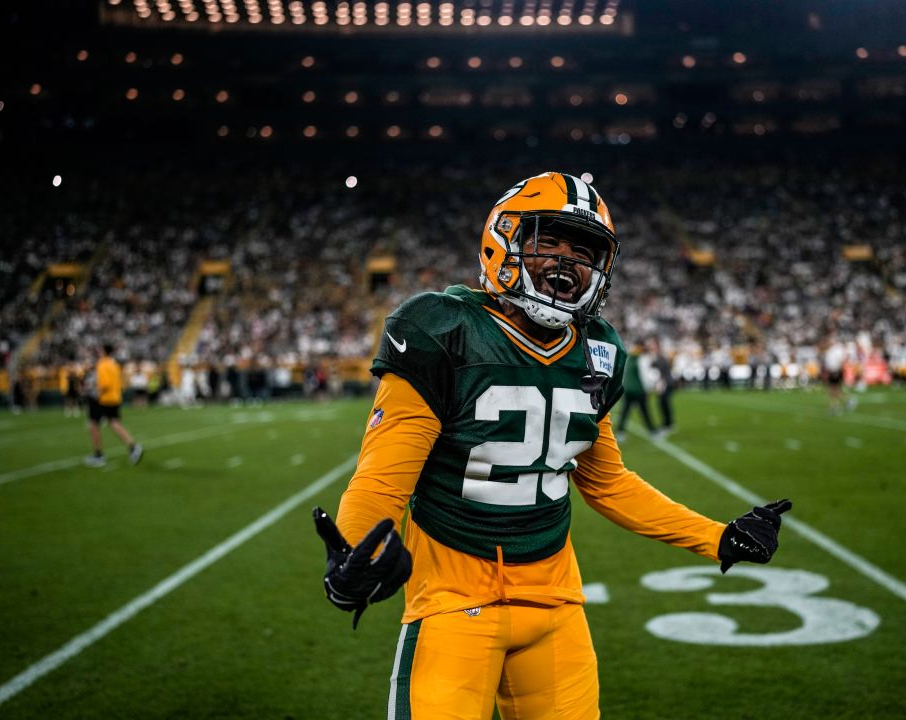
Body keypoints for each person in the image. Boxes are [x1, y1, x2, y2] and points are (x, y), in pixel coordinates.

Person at [313, 172, 792, 719]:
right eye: (549, 241)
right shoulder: (441, 329)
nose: (567, 261)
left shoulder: (597, 350)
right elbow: (381, 479)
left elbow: (608, 482)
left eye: (584, 251)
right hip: (453, 601)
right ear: (505, 241)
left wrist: (718, 538)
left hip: (556, 604)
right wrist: (352, 552)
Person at [83, 342, 144, 467]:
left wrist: (93, 392)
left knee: (93, 424)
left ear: (103, 351)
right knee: (114, 423)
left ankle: (98, 454)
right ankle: (133, 447)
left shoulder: (102, 364)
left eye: (100, 350)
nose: (98, 352)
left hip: (103, 399)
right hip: (114, 397)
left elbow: (104, 384)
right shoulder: (114, 363)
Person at [614, 340, 657, 442]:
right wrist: (648, 389)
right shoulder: (642, 359)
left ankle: (620, 432)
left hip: (627, 389)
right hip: (638, 390)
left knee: (625, 412)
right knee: (644, 411)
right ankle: (652, 431)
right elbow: (644, 376)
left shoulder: (628, 357)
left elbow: (623, 374)